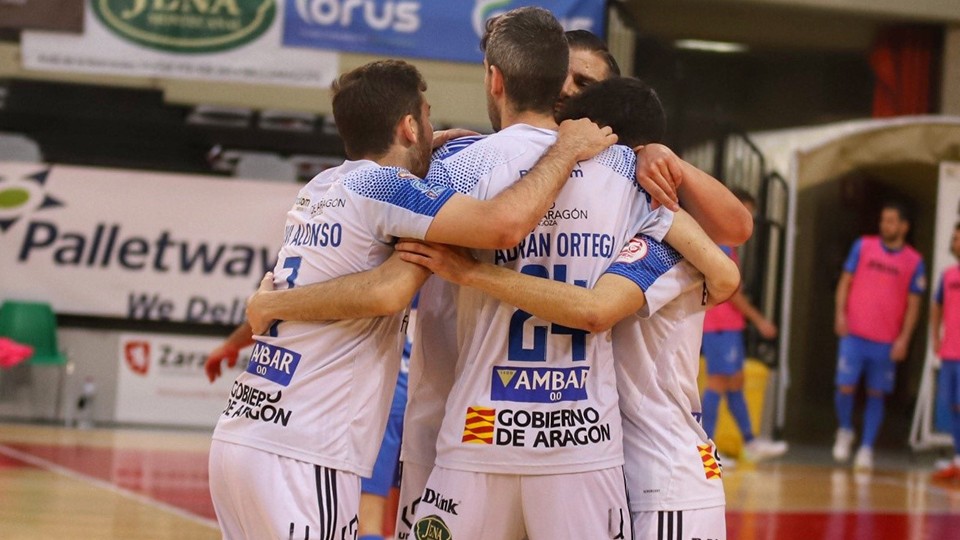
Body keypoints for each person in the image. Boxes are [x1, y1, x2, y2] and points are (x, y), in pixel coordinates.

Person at [206, 58, 616, 539]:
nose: (433, 126)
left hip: (244, 432)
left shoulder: (321, 187)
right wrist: (564, 150)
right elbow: (493, 229)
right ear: (407, 126)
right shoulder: (386, 187)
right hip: (303, 444)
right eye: (427, 116)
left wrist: (273, 306)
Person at [833, 201, 926, 471]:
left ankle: (867, 447)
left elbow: (914, 305)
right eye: (883, 220)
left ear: (904, 226)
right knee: (845, 387)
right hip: (854, 333)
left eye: (892, 221)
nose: (886, 225)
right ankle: (846, 430)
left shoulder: (914, 262)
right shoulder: (863, 246)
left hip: (886, 340)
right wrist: (840, 314)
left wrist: (905, 339)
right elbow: (845, 282)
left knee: (877, 393)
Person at [700, 188, 788, 464]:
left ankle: (749, 442)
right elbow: (732, 293)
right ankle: (706, 453)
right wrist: (760, 320)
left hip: (728, 324)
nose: (748, 217)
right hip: (719, 324)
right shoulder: (720, 242)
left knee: (735, 382)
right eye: (744, 210)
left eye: (751, 212)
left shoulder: (727, 243)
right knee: (718, 382)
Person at [929, 223, 960, 481]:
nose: (956, 243)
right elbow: (936, 305)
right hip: (950, 352)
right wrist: (935, 337)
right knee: (951, 407)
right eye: (954, 238)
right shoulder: (948, 275)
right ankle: (958, 459)